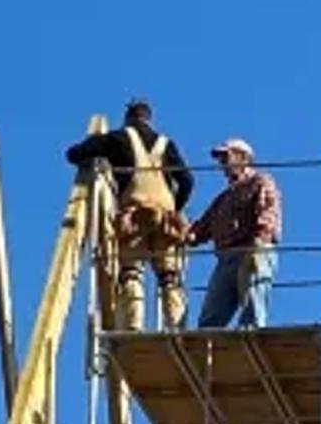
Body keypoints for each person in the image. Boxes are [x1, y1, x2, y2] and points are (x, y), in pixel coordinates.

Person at [64, 95, 189, 329]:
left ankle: (134, 326)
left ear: (128, 118)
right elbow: (187, 180)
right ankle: (176, 325)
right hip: (165, 216)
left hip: (135, 215)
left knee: (132, 272)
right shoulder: (166, 144)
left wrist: (90, 146)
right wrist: (175, 208)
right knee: (169, 276)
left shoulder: (117, 138)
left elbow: (75, 154)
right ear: (149, 119)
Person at [188, 139, 281, 329]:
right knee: (210, 320)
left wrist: (258, 245)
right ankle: (207, 351)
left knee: (252, 312)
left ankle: (251, 337)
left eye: (226, 157)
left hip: (253, 249)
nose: (223, 164)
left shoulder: (260, 182)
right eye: (221, 159)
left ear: (243, 158)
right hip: (227, 258)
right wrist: (176, 228)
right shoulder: (224, 199)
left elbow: (268, 213)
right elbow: (199, 230)